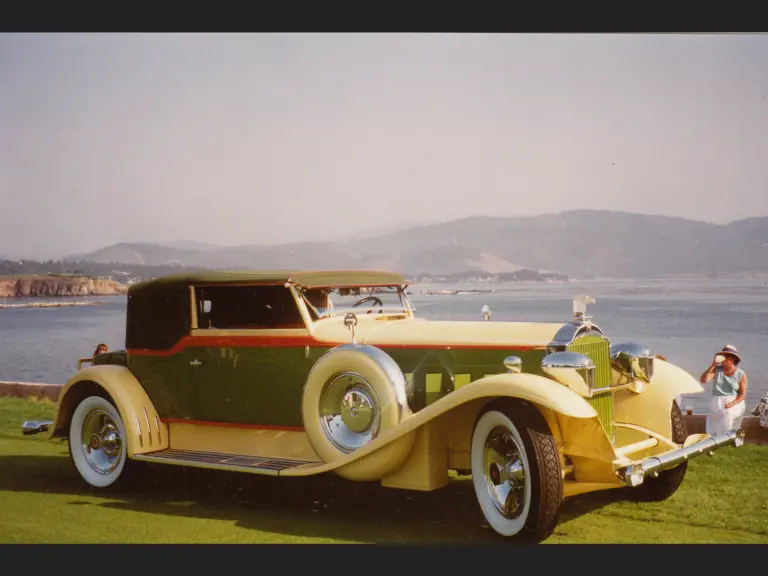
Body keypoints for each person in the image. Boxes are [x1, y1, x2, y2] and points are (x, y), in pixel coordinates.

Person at [700, 344, 747, 436]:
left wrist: (733, 403)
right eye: (723, 356)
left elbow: (742, 393)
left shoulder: (740, 374)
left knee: (728, 416)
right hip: (717, 401)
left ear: (733, 359)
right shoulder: (717, 370)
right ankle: (716, 441)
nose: (723, 358)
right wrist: (713, 365)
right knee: (715, 424)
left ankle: (727, 439)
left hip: (734, 401)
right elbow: (704, 380)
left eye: (726, 356)